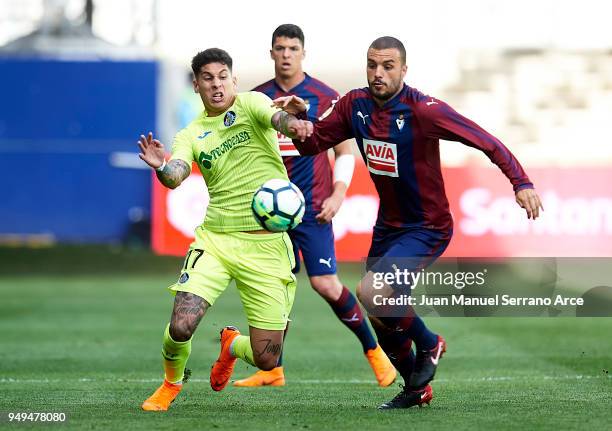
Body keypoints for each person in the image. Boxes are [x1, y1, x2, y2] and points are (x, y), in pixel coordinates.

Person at [274, 36, 543, 409]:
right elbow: (312, 143)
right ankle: (415, 390)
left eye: (387, 66)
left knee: (373, 292)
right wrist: (301, 119)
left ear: (404, 69)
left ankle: (430, 342)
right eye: (372, 65)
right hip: (388, 226)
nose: (378, 73)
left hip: (427, 226)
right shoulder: (355, 105)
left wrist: (521, 182)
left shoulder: (424, 110)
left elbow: (485, 141)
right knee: (381, 316)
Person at [138, 47, 312, 411]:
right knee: (182, 325)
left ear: (233, 79)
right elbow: (175, 175)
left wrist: (295, 123)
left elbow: (279, 121)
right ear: (197, 86)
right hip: (216, 241)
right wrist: (160, 167)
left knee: (267, 358)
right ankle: (171, 384)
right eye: (207, 78)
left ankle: (232, 344)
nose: (216, 84)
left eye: (222, 76)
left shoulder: (251, 104)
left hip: (266, 247)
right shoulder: (191, 133)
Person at [233, 24, 396, 389]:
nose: (286, 54)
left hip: (313, 207)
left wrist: (339, 194)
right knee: (274, 290)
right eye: (280, 48)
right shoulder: (257, 99)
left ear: (303, 53)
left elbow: (344, 151)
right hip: (270, 215)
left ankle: (376, 353)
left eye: (293, 48)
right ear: (271, 53)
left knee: (325, 283)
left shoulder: (324, 96)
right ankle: (272, 369)